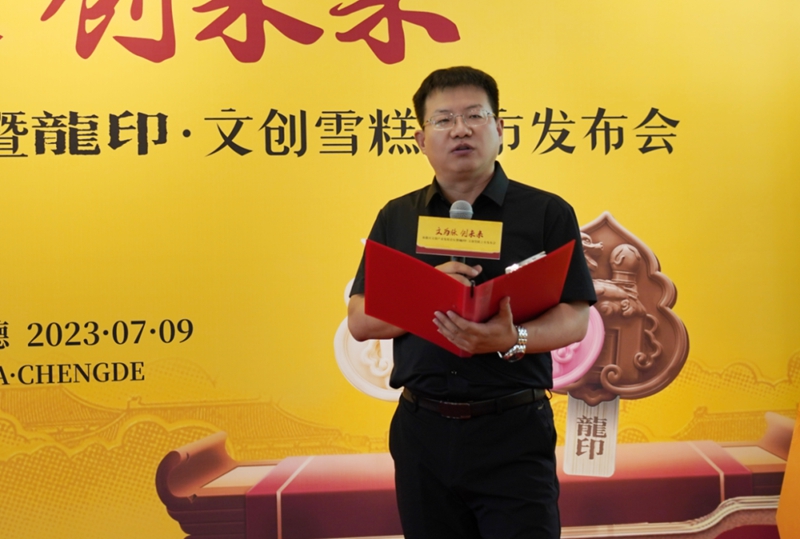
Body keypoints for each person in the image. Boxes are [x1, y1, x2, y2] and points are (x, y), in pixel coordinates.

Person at [347, 66, 596, 539]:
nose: (460, 129)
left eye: (474, 116)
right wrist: (425, 295)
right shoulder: (397, 217)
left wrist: (512, 339)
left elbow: (575, 318)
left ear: (500, 129)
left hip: (513, 430)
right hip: (422, 431)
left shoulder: (546, 212)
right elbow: (360, 320)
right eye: (443, 120)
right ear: (421, 139)